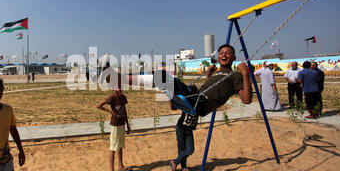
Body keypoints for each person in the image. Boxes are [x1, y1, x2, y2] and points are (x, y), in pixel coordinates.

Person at [101, 44, 252, 119]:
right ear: (218, 57)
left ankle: (119, 78)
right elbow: (210, 88)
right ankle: (119, 78)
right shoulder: (218, 73)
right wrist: (209, 75)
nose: (224, 55)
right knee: (162, 76)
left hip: (199, 103)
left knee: (163, 77)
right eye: (221, 53)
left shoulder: (235, 75)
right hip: (195, 95)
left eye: (228, 53)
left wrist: (245, 74)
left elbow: (246, 100)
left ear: (234, 57)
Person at [97, 88, 132, 171]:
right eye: (117, 86)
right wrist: (110, 111)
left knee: (120, 146)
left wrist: (128, 125)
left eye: (121, 86)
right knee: (113, 148)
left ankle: (120, 165)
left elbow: (124, 112)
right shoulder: (111, 98)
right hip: (115, 125)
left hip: (122, 124)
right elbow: (99, 105)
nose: (120, 88)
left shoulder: (124, 97)